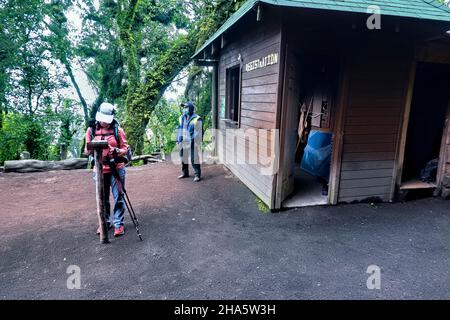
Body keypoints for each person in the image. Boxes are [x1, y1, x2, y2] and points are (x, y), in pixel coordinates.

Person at [84, 102, 130, 237]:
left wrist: (115, 151)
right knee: (102, 198)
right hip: (99, 169)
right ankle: (105, 222)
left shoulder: (118, 130)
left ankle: (118, 223)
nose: (104, 122)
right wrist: (94, 147)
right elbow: (86, 151)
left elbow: (125, 150)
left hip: (116, 168)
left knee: (119, 197)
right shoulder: (91, 130)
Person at [177, 101, 202, 182]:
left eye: (186, 107)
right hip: (183, 141)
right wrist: (179, 139)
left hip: (192, 142)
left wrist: (193, 141)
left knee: (194, 158)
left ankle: (197, 175)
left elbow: (198, 132)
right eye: (184, 107)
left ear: (190, 108)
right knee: (183, 157)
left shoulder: (197, 118)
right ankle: (185, 173)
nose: (184, 109)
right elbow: (180, 129)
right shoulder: (182, 118)